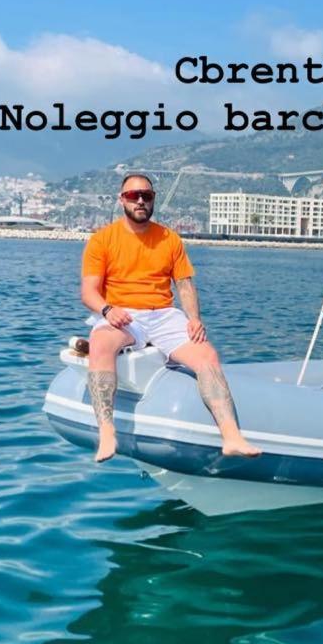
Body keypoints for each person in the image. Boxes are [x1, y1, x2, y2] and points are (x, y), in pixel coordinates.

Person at [80, 172, 262, 462]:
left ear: (153, 200)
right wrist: (107, 310)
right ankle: (107, 433)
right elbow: (88, 292)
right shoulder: (103, 240)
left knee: (207, 355)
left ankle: (231, 436)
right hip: (123, 314)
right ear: (121, 200)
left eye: (146, 196)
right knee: (100, 343)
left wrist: (194, 318)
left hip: (164, 315)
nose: (140, 200)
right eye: (133, 195)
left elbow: (185, 285)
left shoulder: (169, 239)